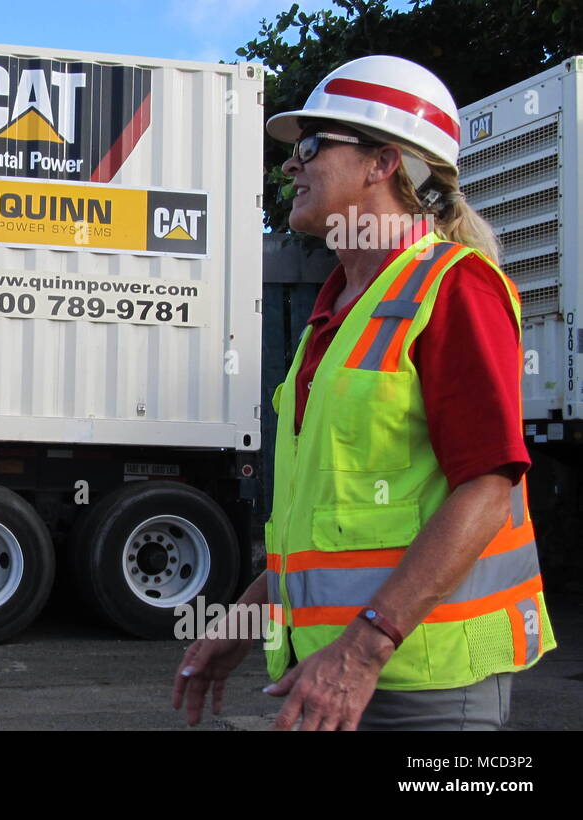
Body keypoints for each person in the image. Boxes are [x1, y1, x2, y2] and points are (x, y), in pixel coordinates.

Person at [172, 55, 554, 730]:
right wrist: (245, 618)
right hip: (334, 675)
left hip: (427, 687)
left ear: (382, 163)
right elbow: (327, 531)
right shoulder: (339, 311)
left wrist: (363, 649)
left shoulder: (456, 287)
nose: (291, 166)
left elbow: (488, 490)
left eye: (312, 146)